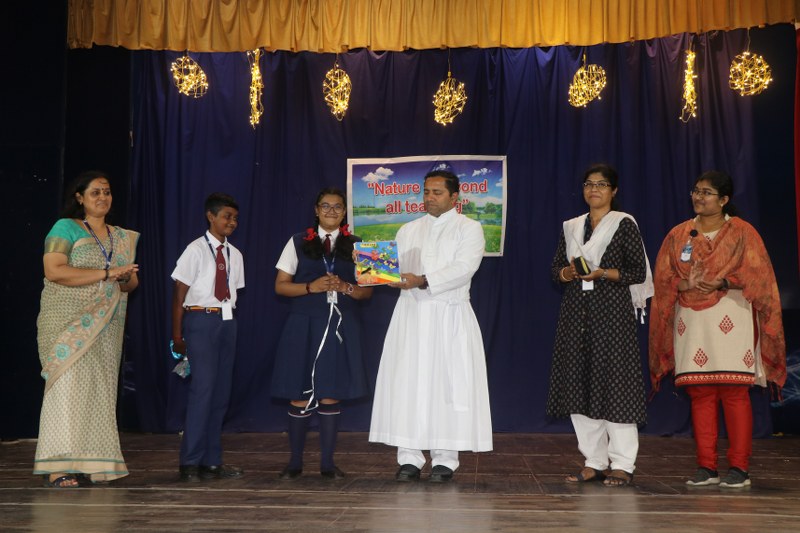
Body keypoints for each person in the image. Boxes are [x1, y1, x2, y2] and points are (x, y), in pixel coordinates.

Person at [649, 171, 785, 488]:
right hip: (691, 319)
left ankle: (739, 468)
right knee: (700, 391)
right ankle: (706, 467)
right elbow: (663, 279)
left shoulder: (742, 232)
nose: (699, 197)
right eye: (696, 191)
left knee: (733, 390)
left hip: (733, 314)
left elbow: (759, 276)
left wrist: (724, 281)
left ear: (724, 200)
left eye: (707, 192)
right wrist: (685, 283)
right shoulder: (679, 234)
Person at [369, 170, 493, 483]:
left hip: (450, 316)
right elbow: (392, 269)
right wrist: (381, 274)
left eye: (437, 192)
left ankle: (445, 459)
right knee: (407, 384)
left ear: (455, 197)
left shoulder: (469, 228)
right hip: (411, 315)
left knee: (448, 387)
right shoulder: (408, 229)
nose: (429, 198)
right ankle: (409, 458)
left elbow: (464, 269)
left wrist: (423, 280)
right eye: (426, 192)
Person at [546, 164, 653, 487]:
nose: (594, 189)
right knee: (579, 386)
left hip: (612, 316)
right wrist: (567, 273)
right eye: (589, 184)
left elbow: (637, 272)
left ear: (614, 190)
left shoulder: (623, 224)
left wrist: (602, 272)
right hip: (576, 315)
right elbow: (555, 270)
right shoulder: (572, 227)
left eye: (602, 184)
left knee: (616, 387)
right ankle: (594, 461)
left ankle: (622, 464)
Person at [34, 170, 140, 488]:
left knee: (97, 393)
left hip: (105, 326)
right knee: (66, 390)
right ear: (80, 197)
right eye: (95, 192)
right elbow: (54, 270)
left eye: (107, 192)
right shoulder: (65, 227)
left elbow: (130, 285)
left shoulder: (120, 236)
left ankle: (93, 464)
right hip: (66, 323)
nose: (103, 197)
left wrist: (123, 277)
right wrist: (107, 273)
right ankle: (57, 467)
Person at [272, 187, 372, 480]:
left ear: (344, 212)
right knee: (299, 393)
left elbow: (367, 294)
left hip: (341, 326)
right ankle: (294, 463)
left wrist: (346, 287)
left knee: (331, 393)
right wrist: (310, 287)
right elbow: (280, 286)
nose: (331, 211)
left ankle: (327, 464)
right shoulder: (297, 241)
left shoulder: (360, 244)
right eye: (325, 206)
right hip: (303, 324)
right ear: (316, 210)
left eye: (337, 207)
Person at [171, 193, 245, 482]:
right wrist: (177, 335)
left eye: (235, 218)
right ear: (210, 216)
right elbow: (179, 295)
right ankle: (190, 461)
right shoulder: (195, 250)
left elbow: (233, 291)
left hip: (227, 322)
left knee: (221, 393)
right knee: (203, 390)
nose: (232, 222)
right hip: (200, 320)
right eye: (226, 216)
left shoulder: (235, 254)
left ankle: (212, 461)